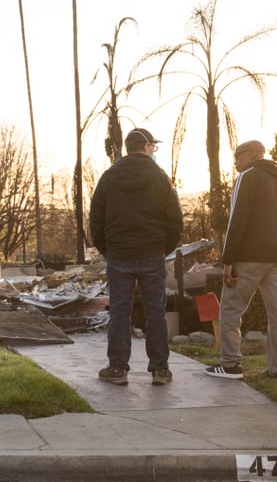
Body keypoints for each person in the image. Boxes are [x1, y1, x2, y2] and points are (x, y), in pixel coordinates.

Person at [89, 128, 183, 386]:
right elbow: (175, 219)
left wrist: (107, 249)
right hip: (152, 252)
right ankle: (160, 370)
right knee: (156, 311)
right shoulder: (160, 178)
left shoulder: (109, 177)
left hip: (119, 254)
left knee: (120, 311)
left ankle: (118, 369)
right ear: (145, 146)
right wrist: (163, 248)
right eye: (152, 146)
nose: (153, 150)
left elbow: (96, 218)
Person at [205, 140, 277, 380]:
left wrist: (228, 260)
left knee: (230, 309)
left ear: (254, 155)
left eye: (239, 155)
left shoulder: (247, 177)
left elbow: (236, 221)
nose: (236, 160)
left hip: (248, 258)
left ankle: (230, 365)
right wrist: (275, 241)